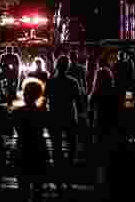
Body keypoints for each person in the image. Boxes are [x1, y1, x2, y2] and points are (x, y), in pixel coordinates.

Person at [45, 56, 82, 190]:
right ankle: (68, 176)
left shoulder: (50, 82)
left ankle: (58, 177)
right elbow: (79, 103)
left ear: (56, 66)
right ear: (67, 67)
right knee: (71, 148)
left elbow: (45, 100)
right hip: (69, 117)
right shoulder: (73, 82)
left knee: (56, 148)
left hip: (55, 117)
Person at [11, 79, 49, 202]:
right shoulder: (42, 112)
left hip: (22, 148)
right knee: (38, 187)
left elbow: (11, 128)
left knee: (23, 186)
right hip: (38, 148)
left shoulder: (17, 112)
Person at [87, 68, 121, 188]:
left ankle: (100, 182)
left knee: (100, 155)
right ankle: (112, 179)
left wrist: (90, 126)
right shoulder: (115, 91)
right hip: (113, 125)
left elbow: (90, 111)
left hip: (99, 126)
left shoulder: (96, 93)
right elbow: (123, 107)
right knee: (111, 153)